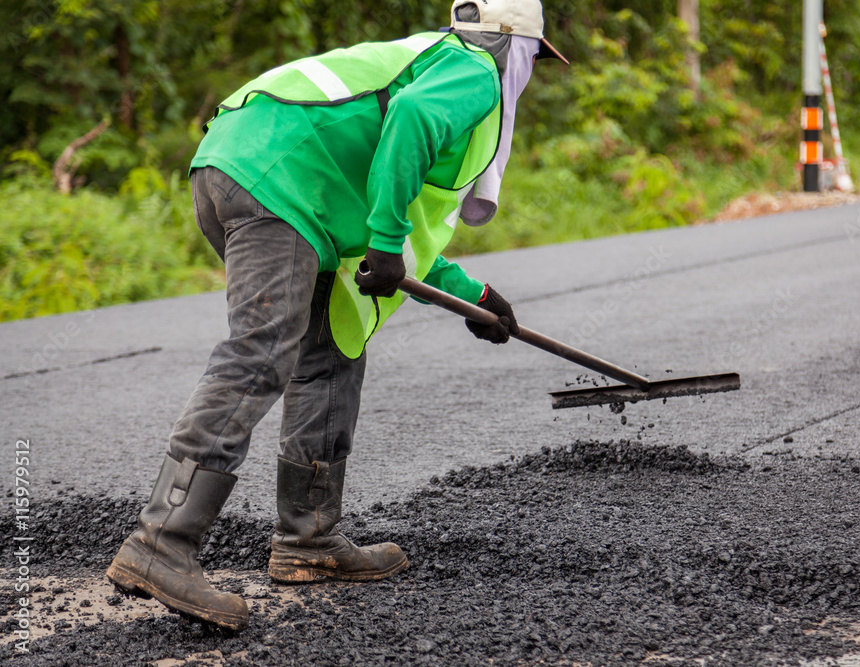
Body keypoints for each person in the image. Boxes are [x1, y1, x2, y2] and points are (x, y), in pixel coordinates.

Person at [106, 0, 568, 631]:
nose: (532, 71)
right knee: (264, 349)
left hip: (250, 168)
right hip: (278, 180)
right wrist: (382, 240)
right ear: (517, 47)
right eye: (536, 58)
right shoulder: (474, 70)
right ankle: (159, 543)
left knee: (329, 354)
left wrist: (475, 297)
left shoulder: (426, 61)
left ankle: (309, 542)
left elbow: (407, 233)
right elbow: (409, 125)